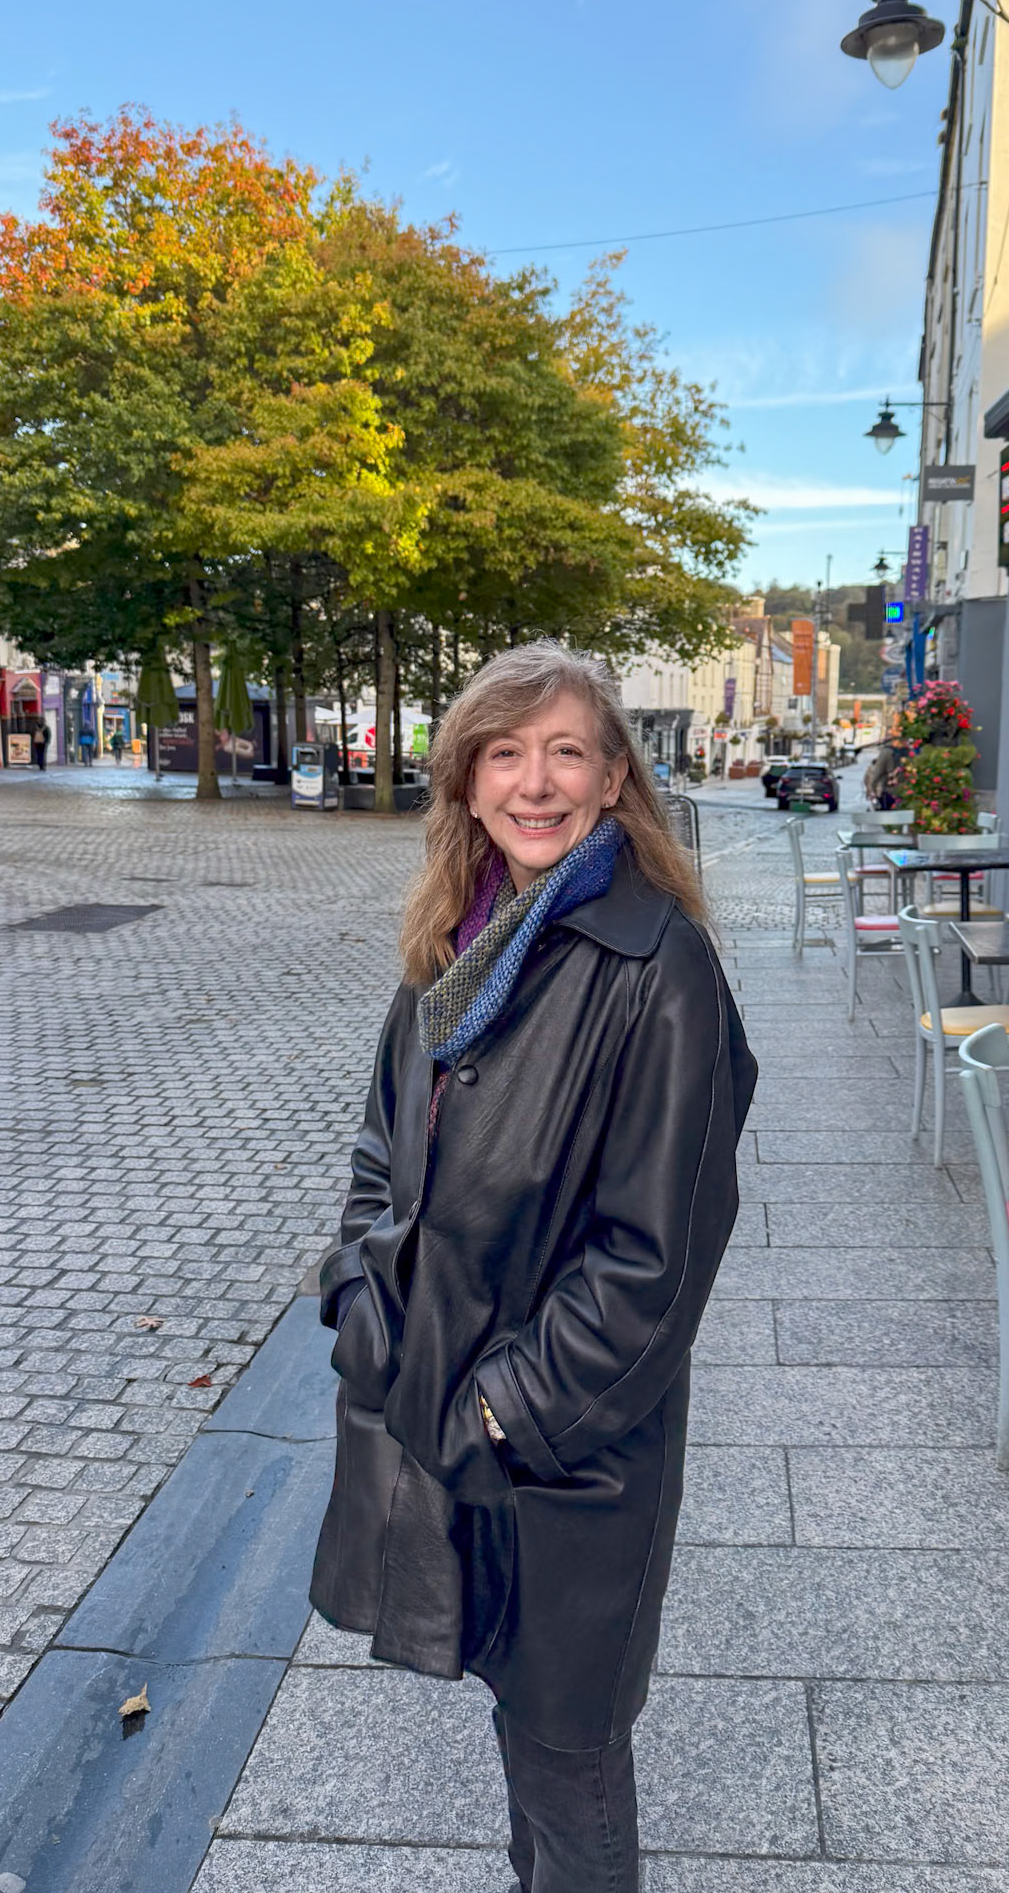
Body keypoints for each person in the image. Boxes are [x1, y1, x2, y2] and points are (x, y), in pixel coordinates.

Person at [310, 640, 757, 1893]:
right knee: (521, 1730)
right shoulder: (456, 944)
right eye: (505, 752)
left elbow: (653, 1263)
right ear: (466, 779)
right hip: (442, 1406)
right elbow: (377, 1152)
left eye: (567, 750)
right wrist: (359, 1292)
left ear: (616, 777)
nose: (536, 780)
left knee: (571, 1757)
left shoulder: (657, 967)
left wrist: (504, 1410)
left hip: (564, 1448)